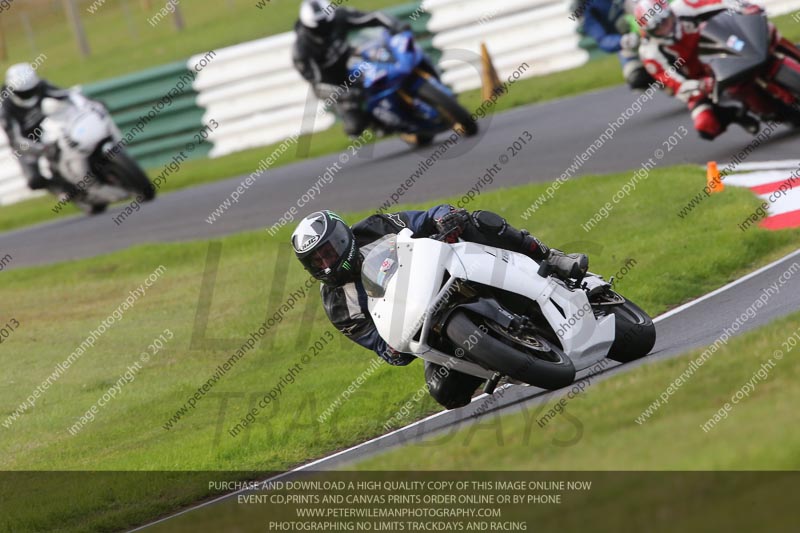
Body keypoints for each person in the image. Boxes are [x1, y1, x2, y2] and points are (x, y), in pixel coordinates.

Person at [291, 206, 589, 410]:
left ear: (343, 238)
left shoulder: (375, 228)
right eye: (316, 261)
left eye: (327, 253)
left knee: (472, 220)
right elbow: (382, 347)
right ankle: (500, 357)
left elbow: (425, 218)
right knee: (445, 393)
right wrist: (392, 351)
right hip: (430, 327)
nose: (326, 264)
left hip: (449, 273)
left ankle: (551, 256)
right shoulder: (339, 307)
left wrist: (446, 217)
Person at [635, 0, 761, 140]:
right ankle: (735, 114)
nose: (666, 28)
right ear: (649, 32)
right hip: (699, 80)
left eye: (665, 21)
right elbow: (674, 82)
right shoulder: (650, 53)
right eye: (658, 28)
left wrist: (744, 8)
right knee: (705, 126)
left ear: (670, 13)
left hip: (722, 51)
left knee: (757, 31)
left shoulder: (683, 7)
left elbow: (718, 3)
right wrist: (699, 85)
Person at [292, 0, 408, 137]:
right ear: (309, 26)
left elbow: (372, 17)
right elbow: (316, 84)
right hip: (333, 84)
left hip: (352, 62)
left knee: (385, 60)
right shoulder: (302, 50)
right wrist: (342, 93)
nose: (324, 28)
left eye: (326, 22)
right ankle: (377, 123)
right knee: (354, 127)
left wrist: (396, 25)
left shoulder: (339, 16)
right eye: (319, 25)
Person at [0, 63, 91, 197]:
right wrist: (40, 148)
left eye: (31, 90)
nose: (28, 94)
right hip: (26, 141)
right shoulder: (5, 106)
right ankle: (61, 188)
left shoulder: (41, 85)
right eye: (23, 93)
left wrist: (85, 104)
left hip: (51, 127)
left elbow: (64, 94)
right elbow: (15, 139)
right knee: (33, 180)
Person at [574, 0, 652, 90]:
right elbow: (602, 39)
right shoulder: (585, 6)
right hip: (630, 41)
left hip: (658, 22)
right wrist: (623, 41)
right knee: (638, 78)